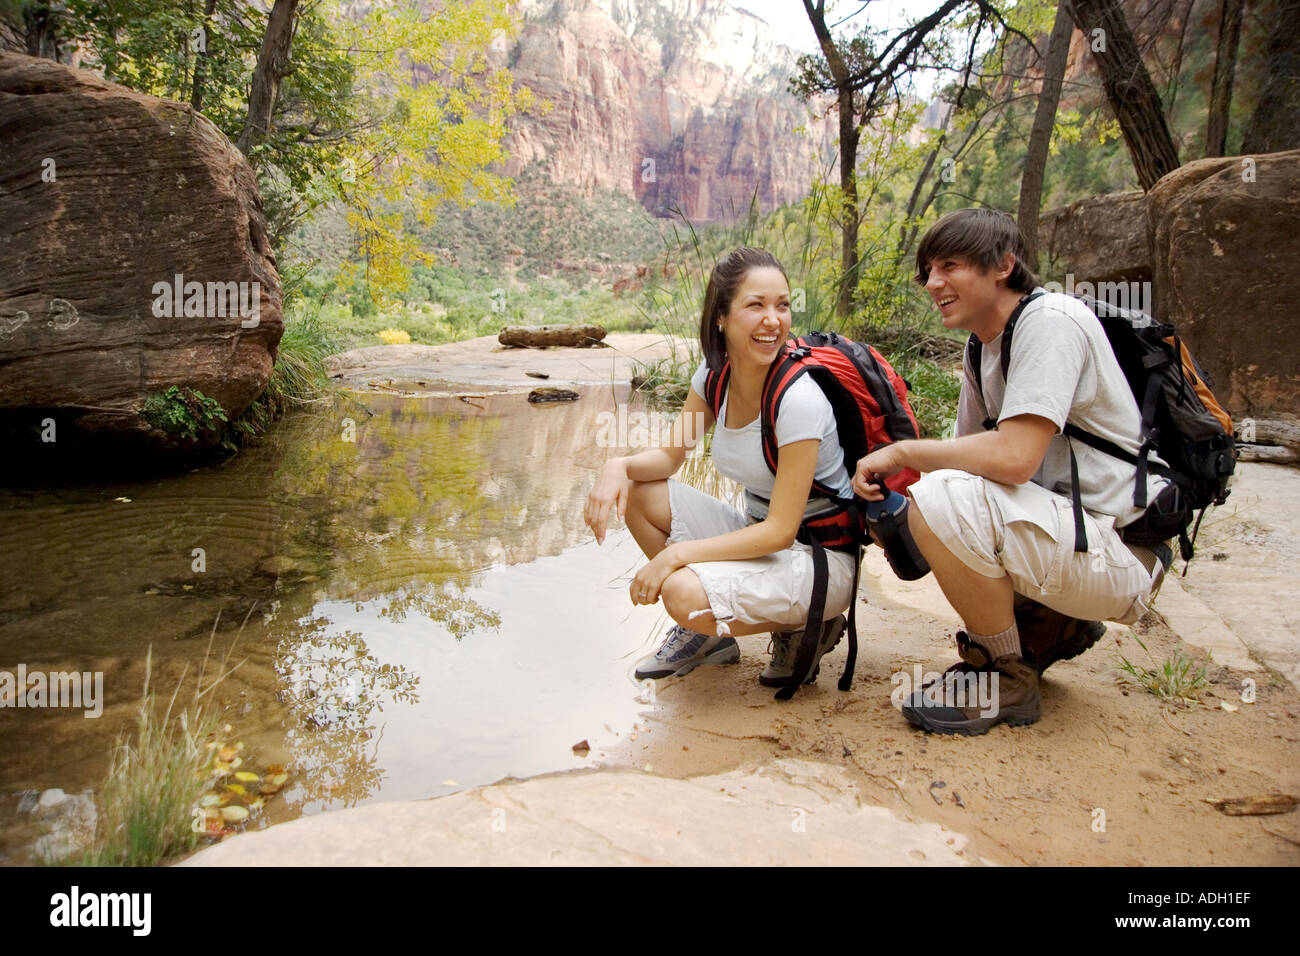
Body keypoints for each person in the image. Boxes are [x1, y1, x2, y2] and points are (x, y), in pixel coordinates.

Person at [853, 208, 1170, 735]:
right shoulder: (983, 346)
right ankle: (1051, 626)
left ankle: (1004, 674)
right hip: (1078, 537)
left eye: (949, 265)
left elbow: (1013, 459)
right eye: (928, 271)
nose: (933, 283)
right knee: (937, 502)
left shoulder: (1051, 322)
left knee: (942, 499)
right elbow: (975, 461)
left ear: (1003, 265)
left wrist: (902, 455)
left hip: (1124, 551)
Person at [584, 247, 855, 685]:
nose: (773, 320)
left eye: (782, 305)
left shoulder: (798, 400)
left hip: (817, 558)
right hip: (762, 542)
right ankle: (711, 636)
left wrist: (675, 557)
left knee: (681, 590)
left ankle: (804, 624)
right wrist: (618, 465)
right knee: (640, 489)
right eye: (756, 305)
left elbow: (780, 531)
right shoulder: (714, 378)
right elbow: (669, 459)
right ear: (721, 317)